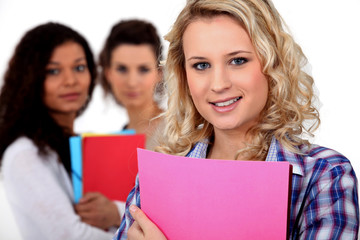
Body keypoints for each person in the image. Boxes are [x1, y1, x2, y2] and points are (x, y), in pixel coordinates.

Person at [113, 0, 359, 239]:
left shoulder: (325, 176)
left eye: (238, 61)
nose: (219, 84)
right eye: (201, 65)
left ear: (272, 63)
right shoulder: (157, 178)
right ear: (183, 75)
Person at [0, 22, 121, 240]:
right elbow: (71, 235)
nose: (71, 81)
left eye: (79, 67)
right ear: (30, 78)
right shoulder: (24, 154)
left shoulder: (78, 144)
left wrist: (116, 214)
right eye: (53, 71)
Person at [98, 19, 164, 150]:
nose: (132, 82)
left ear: (159, 74)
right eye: (122, 69)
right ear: (108, 73)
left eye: (143, 69)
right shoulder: (112, 145)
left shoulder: (182, 134)